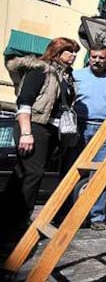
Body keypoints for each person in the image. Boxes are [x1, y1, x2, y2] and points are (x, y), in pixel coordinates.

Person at [0, 37, 79, 249]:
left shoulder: (66, 77)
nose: (73, 56)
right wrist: (26, 133)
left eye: (75, 52)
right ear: (57, 51)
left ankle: (8, 224)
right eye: (69, 51)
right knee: (32, 175)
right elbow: (24, 101)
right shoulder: (40, 70)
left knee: (23, 175)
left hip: (51, 131)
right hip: (34, 127)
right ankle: (16, 229)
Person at [72, 43, 106, 231]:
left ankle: (96, 217)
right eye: (94, 57)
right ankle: (69, 215)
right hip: (79, 127)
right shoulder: (77, 76)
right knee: (73, 173)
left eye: (101, 57)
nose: (97, 60)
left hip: (104, 129)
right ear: (89, 57)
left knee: (99, 176)